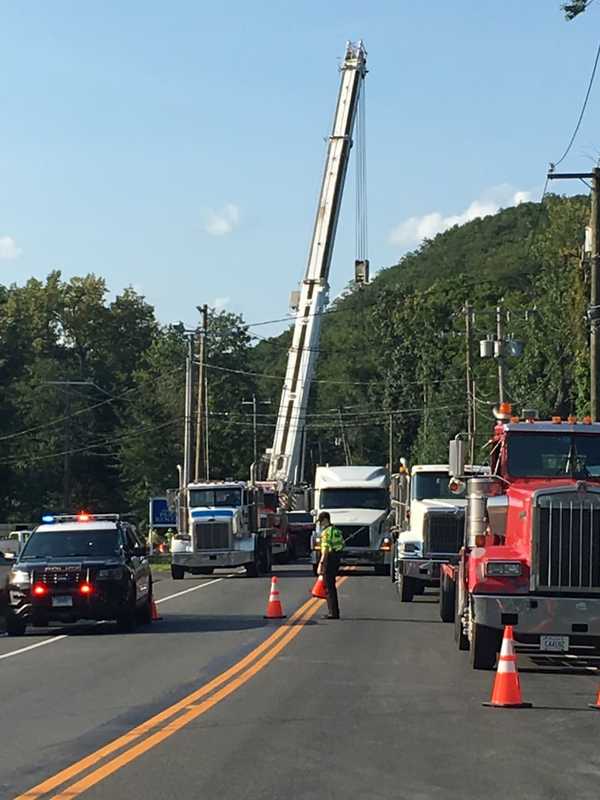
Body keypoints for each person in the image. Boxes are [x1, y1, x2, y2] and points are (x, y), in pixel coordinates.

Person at [317, 511, 344, 619]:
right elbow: (342, 544)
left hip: (329, 559)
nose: (320, 524)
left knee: (329, 587)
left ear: (325, 520)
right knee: (332, 585)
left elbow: (326, 550)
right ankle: (335, 611)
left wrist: (321, 564)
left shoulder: (326, 532)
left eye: (321, 521)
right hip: (336, 558)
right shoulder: (336, 531)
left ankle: (333, 612)